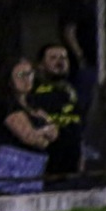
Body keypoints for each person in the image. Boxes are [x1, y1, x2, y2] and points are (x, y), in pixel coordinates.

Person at [0, 57, 58, 194]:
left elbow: (54, 131)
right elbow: (28, 137)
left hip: (35, 167)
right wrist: (44, 133)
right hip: (14, 168)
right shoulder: (7, 106)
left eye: (30, 74)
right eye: (21, 75)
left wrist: (43, 134)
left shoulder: (34, 104)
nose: (27, 79)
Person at [29, 43, 85, 183]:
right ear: (41, 65)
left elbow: (78, 122)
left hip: (71, 158)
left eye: (63, 58)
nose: (60, 62)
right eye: (53, 58)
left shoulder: (72, 90)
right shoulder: (32, 90)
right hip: (47, 161)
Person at [59, 0, 98, 121]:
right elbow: (69, 32)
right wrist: (79, 55)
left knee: (86, 100)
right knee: (78, 100)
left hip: (91, 60)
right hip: (81, 62)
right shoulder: (75, 7)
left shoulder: (94, 6)